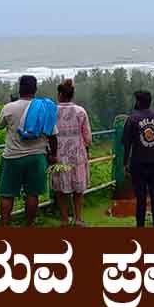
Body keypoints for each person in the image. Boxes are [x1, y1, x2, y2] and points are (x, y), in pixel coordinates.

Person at [0, 75, 58, 226]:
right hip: (36, 157)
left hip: (12, 157)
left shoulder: (9, 108)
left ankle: (4, 225)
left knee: (7, 194)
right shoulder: (43, 108)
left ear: (19, 88)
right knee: (32, 194)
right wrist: (53, 155)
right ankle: (29, 225)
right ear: (35, 89)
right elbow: (53, 135)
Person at [122, 90, 154, 228]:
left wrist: (125, 164)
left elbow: (127, 144)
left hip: (137, 164)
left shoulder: (132, 119)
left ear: (138, 102)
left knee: (141, 199)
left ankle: (140, 226)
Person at [51, 79, 92, 227]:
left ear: (60, 94)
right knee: (78, 189)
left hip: (59, 155)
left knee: (61, 189)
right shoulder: (80, 111)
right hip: (78, 154)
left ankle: (64, 219)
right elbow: (87, 136)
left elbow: (48, 133)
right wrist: (86, 149)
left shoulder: (52, 112)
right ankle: (78, 218)